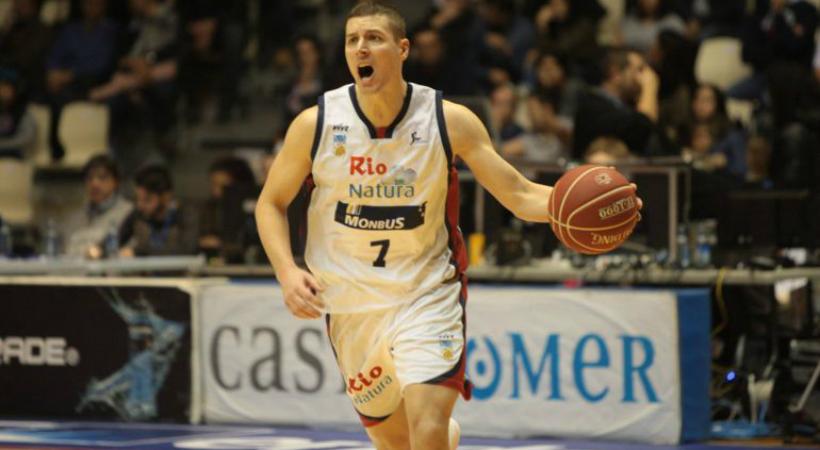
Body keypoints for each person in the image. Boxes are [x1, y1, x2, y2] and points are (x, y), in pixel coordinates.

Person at [255, 3, 641, 449]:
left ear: (403, 49)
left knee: (428, 427)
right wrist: (286, 272)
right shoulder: (316, 124)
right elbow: (270, 203)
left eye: (374, 38)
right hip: (351, 302)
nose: (361, 48)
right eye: (352, 40)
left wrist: (602, 206)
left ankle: (438, 432)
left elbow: (518, 194)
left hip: (426, 293)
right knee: (396, 443)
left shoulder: (448, 119)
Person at [120, 164, 198, 257]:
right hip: (144, 266)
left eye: (147, 199)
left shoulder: (185, 214)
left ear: (166, 197)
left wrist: (140, 253)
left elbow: (188, 250)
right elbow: (115, 241)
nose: (140, 205)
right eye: (138, 199)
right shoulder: (138, 214)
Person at [63, 154, 133, 258]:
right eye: (89, 178)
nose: (94, 184)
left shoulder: (129, 214)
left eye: (102, 178)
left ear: (116, 182)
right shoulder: (74, 219)